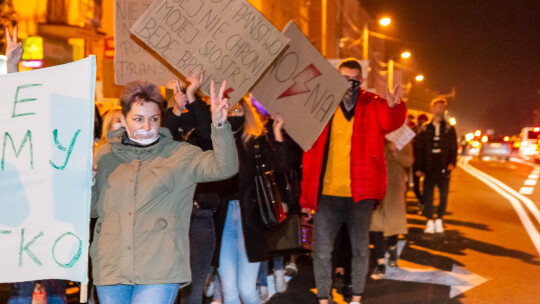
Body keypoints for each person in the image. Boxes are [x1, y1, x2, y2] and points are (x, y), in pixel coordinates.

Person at [90, 79, 238, 304]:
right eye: (138, 119)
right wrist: (88, 184)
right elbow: (92, 210)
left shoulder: (181, 155)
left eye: (154, 119)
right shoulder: (106, 155)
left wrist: (219, 126)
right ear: (123, 119)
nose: (147, 127)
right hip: (111, 267)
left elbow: (225, 167)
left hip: (160, 267)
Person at [300, 57, 407, 304]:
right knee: (321, 251)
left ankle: (356, 298)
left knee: (360, 250)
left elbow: (391, 121)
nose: (349, 83)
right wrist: (306, 198)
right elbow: (309, 153)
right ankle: (324, 299)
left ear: (362, 81)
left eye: (354, 80)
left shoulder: (372, 104)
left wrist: (394, 106)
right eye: (343, 79)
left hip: (360, 193)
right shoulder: (322, 105)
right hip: (326, 193)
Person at [213, 98, 287, 304]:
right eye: (230, 109)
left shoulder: (257, 141)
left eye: (239, 109)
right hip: (222, 219)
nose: (234, 114)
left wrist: (278, 133)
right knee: (228, 289)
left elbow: (281, 168)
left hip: (251, 220)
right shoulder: (215, 141)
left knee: (246, 289)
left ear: (246, 112)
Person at [161, 72, 222, 304]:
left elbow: (208, 131)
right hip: (170, 218)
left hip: (199, 219)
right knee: (166, 289)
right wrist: (175, 110)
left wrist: (192, 95)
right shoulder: (168, 136)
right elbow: (164, 137)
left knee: (192, 291)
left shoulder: (204, 139)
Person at [370, 140, 414, 276]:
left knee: (393, 223)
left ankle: (392, 247)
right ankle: (381, 263)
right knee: (375, 225)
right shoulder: (377, 134)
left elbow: (409, 161)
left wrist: (395, 152)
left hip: (395, 184)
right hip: (377, 182)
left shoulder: (404, 138)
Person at [415, 98, 457, 234]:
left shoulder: (449, 128)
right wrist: (419, 168)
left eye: (441, 107)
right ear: (432, 109)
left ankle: (439, 218)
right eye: (437, 107)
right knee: (428, 193)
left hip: (443, 164)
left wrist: (452, 162)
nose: (439, 109)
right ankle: (429, 220)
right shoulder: (426, 128)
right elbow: (419, 148)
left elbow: (453, 147)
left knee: (443, 194)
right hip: (429, 164)